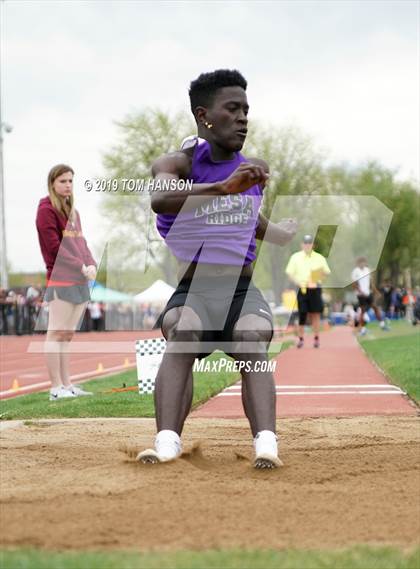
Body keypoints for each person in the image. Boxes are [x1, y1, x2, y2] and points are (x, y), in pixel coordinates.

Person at [138, 69, 297, 468]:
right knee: (184, 330)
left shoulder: (252, 169)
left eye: (246, 109)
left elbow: (250, 219)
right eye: (233, 109)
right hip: (194, 292)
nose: (244, 117)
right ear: (204, 115)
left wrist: (281, 234)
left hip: (241, 294)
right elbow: (161, 198)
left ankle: (266, 445)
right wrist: (222, 188)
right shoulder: (176, 164)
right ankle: (167, 443)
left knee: (250, 337)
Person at [36, 164, 97, 400]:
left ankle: (67, 384)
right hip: (61, 278)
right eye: (63, 181)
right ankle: (55, 387)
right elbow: (53, 247)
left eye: (70, 181)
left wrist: (91, 263)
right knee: (56, 332)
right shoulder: (46, 209)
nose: (68, 185)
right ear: (52, 183)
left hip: (79, 279)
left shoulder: (74, 212)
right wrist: (79, 266)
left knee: (67, 335)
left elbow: (82, 244)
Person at [285, 234, 331, 348]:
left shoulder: (319, 257)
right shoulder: (295, 257)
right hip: (302, 288)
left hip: (315, 288)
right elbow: (289, 273)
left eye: (309, 243)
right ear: (302, 244)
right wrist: (298, 282)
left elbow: (326, 272)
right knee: (302, 314)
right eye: (305, 243)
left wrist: (316, 278)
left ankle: (316, 338)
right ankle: (301, 339)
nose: (307, 245)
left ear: (313, 245)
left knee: (315, 314)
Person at [351, 257, 389, 335]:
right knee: (363, 311)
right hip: (361, 295)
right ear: (358, 263)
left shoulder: (367, 270)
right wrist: (361, 292)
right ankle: (362, 329)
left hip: (368, 293)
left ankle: (382, 325)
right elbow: (354, 284)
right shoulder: (355, 271)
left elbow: (371, 283)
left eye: (364, 262)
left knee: (375, 307)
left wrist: (376, 291)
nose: (362, 264)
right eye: (361, 262)